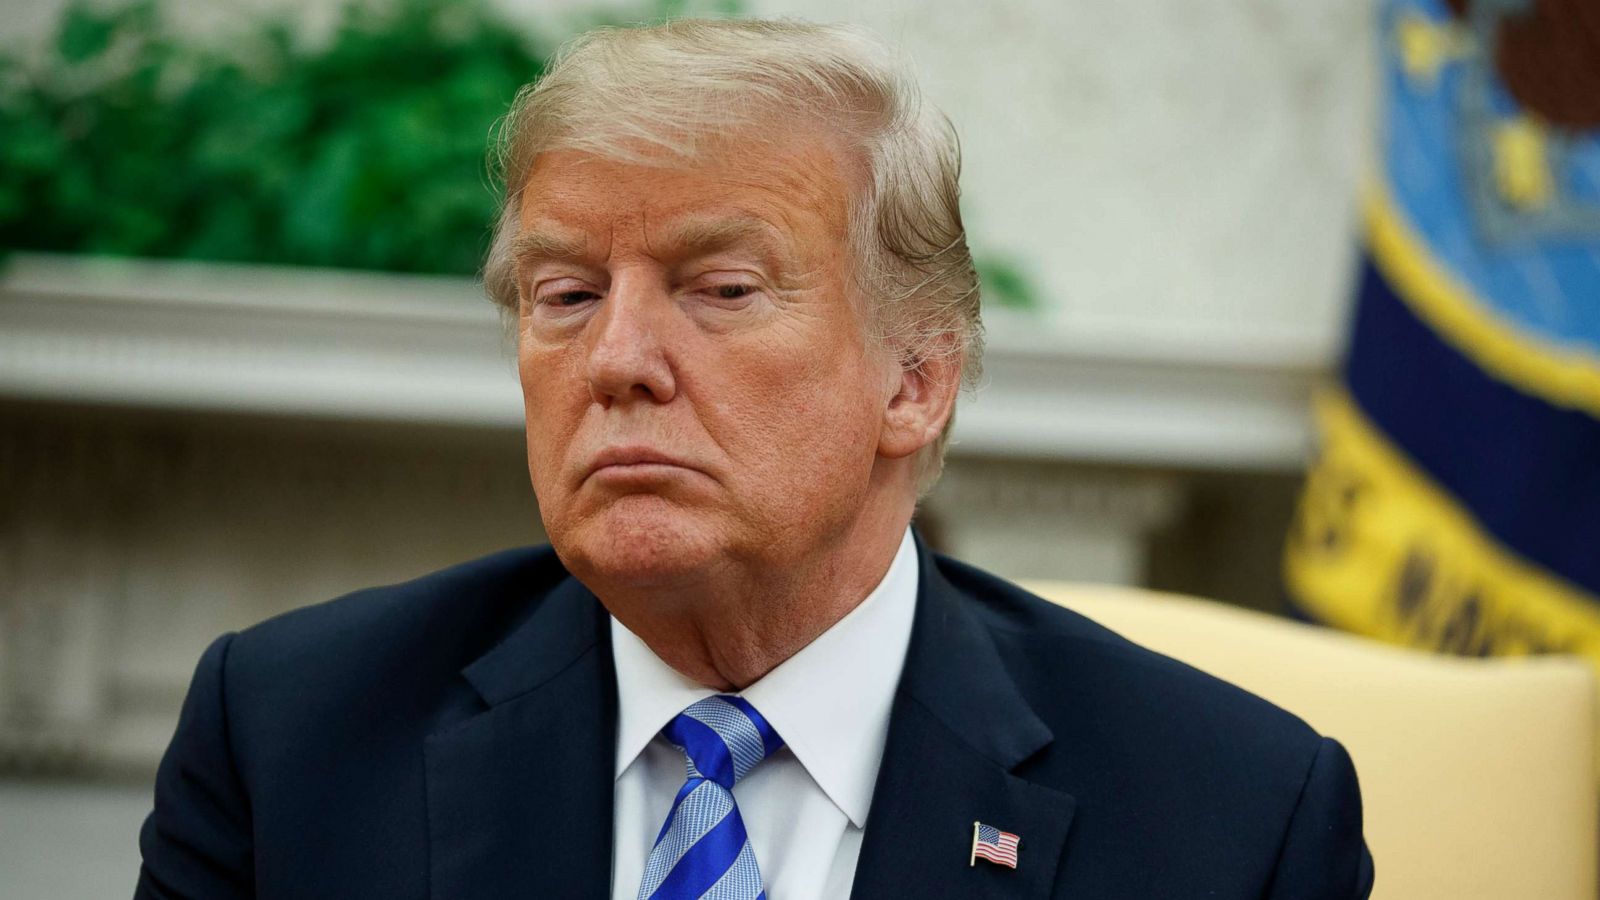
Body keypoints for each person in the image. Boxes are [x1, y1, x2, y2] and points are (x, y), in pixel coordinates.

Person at [135, 19, 1374, 900]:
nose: (617, 357)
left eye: (719, 288)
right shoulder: (294, 736)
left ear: (916, 379)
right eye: (563, 294)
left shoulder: (1227, 816)